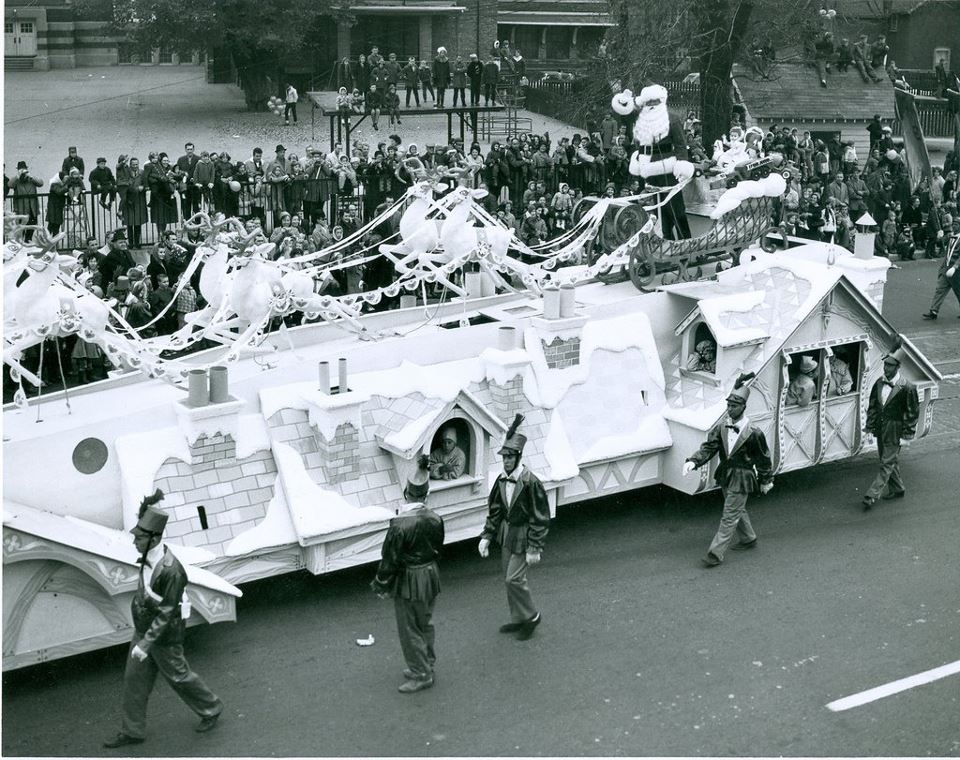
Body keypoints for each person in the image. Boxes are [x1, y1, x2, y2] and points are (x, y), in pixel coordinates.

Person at [102, 489, 222, 748]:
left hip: (164, 638)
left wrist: (145, 644)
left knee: (179, 677)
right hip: (144, 631)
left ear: (154, 538)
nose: (134, 541)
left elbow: (167, 612)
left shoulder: (172, 571)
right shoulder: (147, 555)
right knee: (134, 681)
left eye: (139, 537)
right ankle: (132, 731)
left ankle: (211, 708)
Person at [683, 373, 774, 567]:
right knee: (735, 509)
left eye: (733, 406)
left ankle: (715, 554)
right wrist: (693, 461)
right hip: (726, 475)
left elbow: (764, 459)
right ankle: (748, 537)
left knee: (729, 515)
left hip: (743, 478)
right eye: (728, 406)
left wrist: (766, 480)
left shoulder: (754, 433)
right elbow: (708, 448)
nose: (729, 410)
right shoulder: (722, 427)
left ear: (743, 407)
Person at [371, 455, 445, 694]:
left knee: (409, 628)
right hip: (430, 576)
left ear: (406, 492)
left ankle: (420, 674)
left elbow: (389, 559)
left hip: (409, 581)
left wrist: (381, 585)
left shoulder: (399, 524)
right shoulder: (436, 518)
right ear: (426, 494)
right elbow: (438, 547)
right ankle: (427, 663)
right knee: (425, 622)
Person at [477, 414, 550, 641]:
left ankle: (532, 615)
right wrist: (487, 536)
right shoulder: (501, 480)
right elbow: (496, 511)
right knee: (509, 579)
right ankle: (519, 619)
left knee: (513, 579)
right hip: (506, 535)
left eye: (510, 457)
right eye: (504, 457)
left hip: (524, 536)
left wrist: (535, 547)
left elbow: (540, 517)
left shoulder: (531, 482)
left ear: (519, 456)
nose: (506, 461)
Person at [861, 347, 919, 510]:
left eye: (890, 366)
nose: (886, 368)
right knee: (887, 459)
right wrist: (870, 428)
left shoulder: (908, 387)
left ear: (898, 367)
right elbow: (873, 406)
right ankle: (898, 488)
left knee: (886, 462)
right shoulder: (879, 383)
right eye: (885, 365)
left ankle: (872, 495)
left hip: (896, 429)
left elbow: (912, 412)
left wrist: (906, 435)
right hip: (881, 427)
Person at [921, 225, 960, 320]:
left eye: (955, 225)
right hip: (946, 269)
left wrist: (955, 267)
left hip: (956, 271)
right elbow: (944, 249)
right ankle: (933, 311)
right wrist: (941, 236)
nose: (953, 227)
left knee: (959, 292)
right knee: (940, 290)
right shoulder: (952, 237)